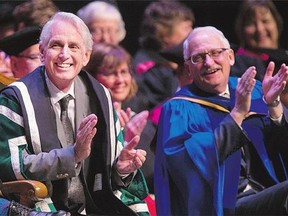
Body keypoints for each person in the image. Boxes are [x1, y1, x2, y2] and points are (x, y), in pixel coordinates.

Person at [0, 11, 149, 216]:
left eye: (74, 47)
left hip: (95, 205)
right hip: (43, 205)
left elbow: (113, 175)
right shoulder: (15, 99)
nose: (64, 54)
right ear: (42, 52)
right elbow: (12, 166)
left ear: (86, 56)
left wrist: (122, 168)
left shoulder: (100, 96)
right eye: (56, 45)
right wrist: (72, 155)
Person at [154, 26, 288, 215]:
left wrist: (274, 105)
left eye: (216, 52)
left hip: (268, 189)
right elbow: (186, 167)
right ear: (188, 69)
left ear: (231, 57)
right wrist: (238, 114)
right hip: (224, 205)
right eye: (198, 58)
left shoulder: (254, 90)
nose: (209, 62)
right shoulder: (178, 109)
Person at [84, 43, 155, 195]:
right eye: (110, 73)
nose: (120, 80)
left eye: (124, 71)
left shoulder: (139, 121)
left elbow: (151, 176)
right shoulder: (87, 122)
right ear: (92, 77)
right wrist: (118, 134)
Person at [130, 1, 194, 113]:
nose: (192, 33)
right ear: (163, 32)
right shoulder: (146, 69)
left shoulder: (176, 63)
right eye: (187, 28)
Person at [232, 0, 287, 81]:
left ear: (277, 24)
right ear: (241, 30)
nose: (259, 29)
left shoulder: (285, 56)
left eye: (265, 21)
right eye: (251, 23)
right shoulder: (236, 65)